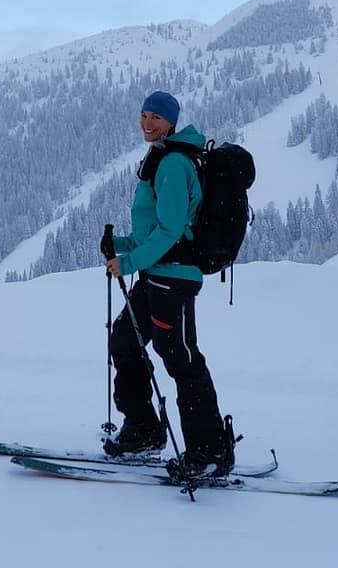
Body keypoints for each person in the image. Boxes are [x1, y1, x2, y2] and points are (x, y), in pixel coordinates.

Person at [101, 90, 234, 477]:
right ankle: (143, 430)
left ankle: (209, 451)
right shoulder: (162, 156)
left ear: (171, 121)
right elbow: (154, 232)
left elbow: (172, 230)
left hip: (173, 277)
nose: (147, 123)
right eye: (144, 114)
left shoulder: (174, 163)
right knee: (125, 341)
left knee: (180, 359)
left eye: (155, 117)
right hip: (157, 273)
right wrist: (121, 245)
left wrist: (128, 262)